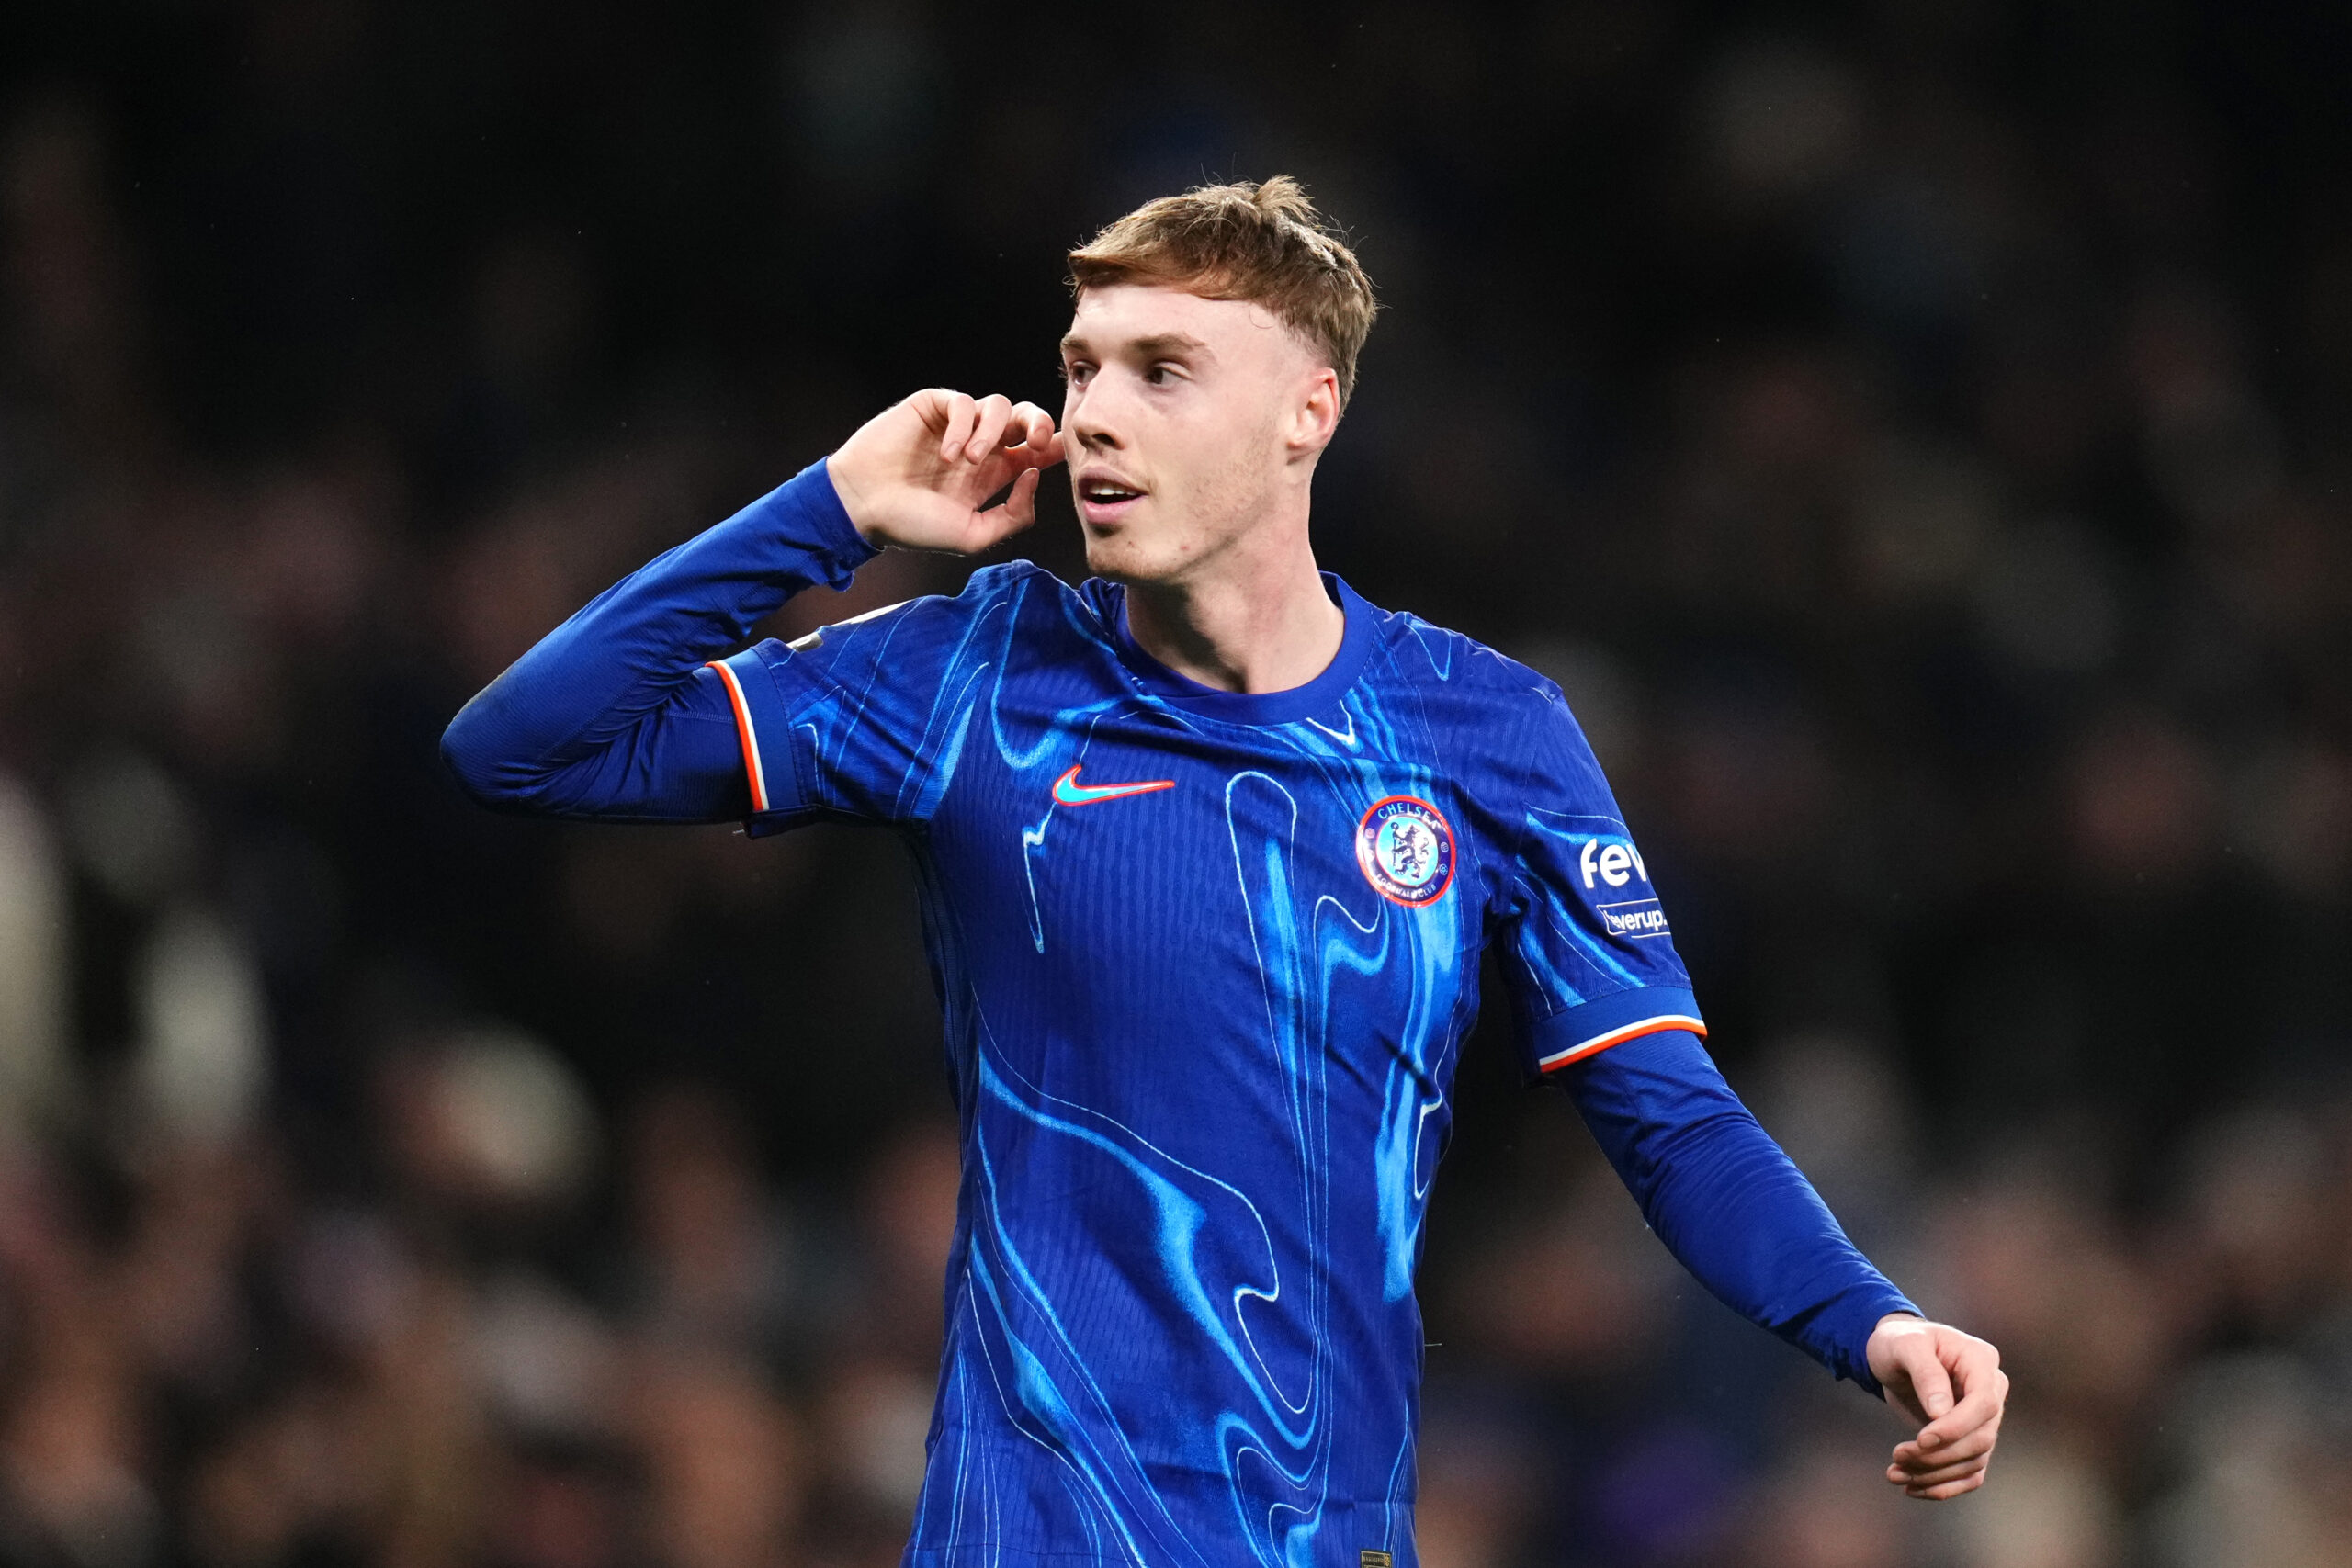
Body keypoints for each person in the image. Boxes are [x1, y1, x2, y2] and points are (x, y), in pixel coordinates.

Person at [442, 177, 2006, 1566]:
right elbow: (520, 747)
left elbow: (1668, 1116)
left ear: (1305, 414)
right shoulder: (974, 679)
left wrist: (1872, 1316)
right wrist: (831, 510)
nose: (1096, 415)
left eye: (1161, 371)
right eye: (1081, 369)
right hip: (1026, 1534)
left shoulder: (1482, 734)